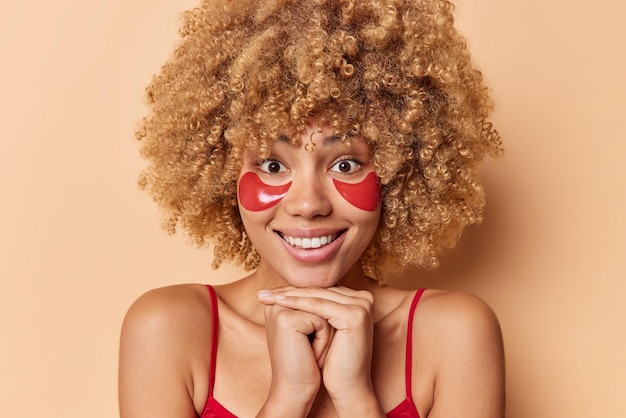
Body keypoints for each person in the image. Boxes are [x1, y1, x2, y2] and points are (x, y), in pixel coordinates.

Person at [119, 0, 505, 416]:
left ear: (399, 172)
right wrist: (289, 396)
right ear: (223, 173)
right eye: (272, 166)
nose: (308, 205)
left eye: (345, 164)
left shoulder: (454, 333)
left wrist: (354, 395)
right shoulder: (170, 329)